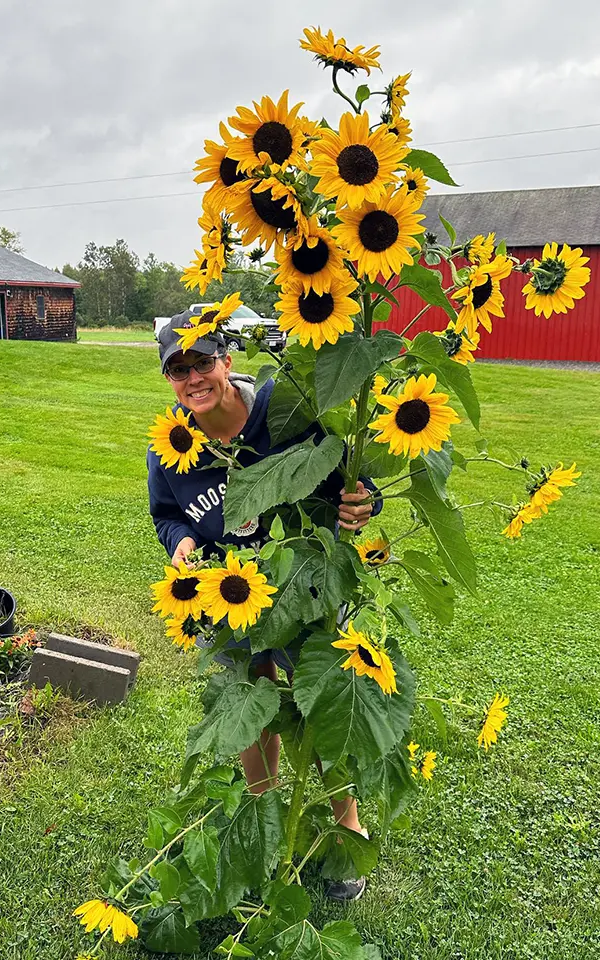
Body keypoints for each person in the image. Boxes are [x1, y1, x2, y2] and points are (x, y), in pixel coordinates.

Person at [147, 310, 380, 901]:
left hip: (300, 586)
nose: (193, 377)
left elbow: (340, 471)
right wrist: (184, 544)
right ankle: (266, 814)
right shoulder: (174, 443)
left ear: (227, 360)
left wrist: (364, 502)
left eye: (202, 361)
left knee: (323, 698)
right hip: (222, 597)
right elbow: (168, 514)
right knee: (247, 698)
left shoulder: (282, 412)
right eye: (178, 369)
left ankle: (346, 827)